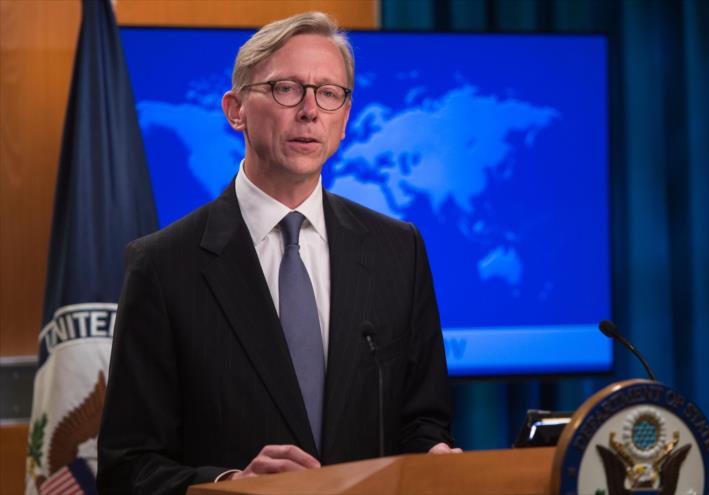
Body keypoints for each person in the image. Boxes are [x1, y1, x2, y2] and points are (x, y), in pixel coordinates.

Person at [97, 12, 458, 494]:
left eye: (329, 94)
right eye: (287, 89)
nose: (310, 111)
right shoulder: (162, 266)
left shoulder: (399, 249)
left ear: (345, 119)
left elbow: (423, 421)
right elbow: (127, 468)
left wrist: (433, 455)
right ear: (235, 109)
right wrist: (231, 485)